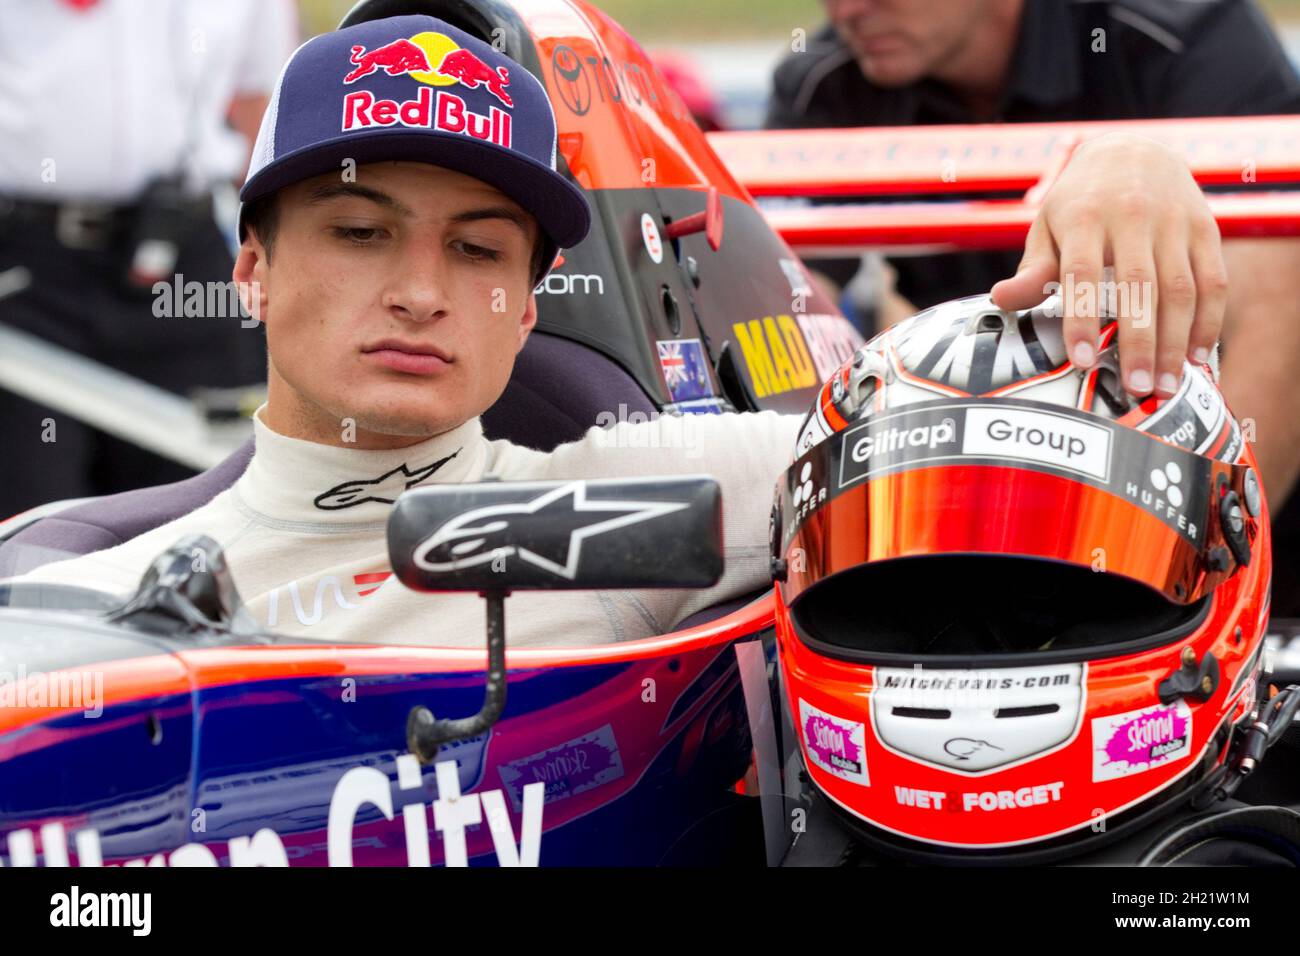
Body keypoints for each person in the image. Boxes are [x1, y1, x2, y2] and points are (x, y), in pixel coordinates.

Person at [7, 13, 1234, 647]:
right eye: (362, 232)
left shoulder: (673, 491)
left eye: (479, 248)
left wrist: (1115, 171)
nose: (424, 290)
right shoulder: (62, 590)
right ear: (253, 271)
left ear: (532, 302)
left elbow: (990, 403)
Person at [765, 0, 1300, 610]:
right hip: (963, 531)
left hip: (1209, 525)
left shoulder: (1189, 30)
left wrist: (1212, 568)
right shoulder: (822, 81)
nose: (850, 9)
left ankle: (1221, 580)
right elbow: (785, 325)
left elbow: (1281, 289)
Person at [0, 0, 298, 519]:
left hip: (184, 253)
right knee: (34, 518)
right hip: (26, 262)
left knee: (204, 509)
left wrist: (292, 250)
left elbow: (263, 104)